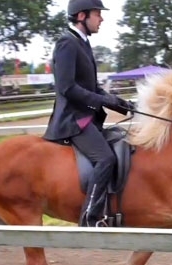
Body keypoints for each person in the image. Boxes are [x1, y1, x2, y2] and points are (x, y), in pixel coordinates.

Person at [43, 0, 135, 227]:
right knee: (105, 158)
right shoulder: (67, 43)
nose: (101, 19)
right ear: (82, 16)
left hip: (87, 119)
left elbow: (92, 87)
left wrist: (120, 103)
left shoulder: (82, 44)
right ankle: (90, 218)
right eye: (97, 14)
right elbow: (68, 88)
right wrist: (104, 100)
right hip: (73, 120)